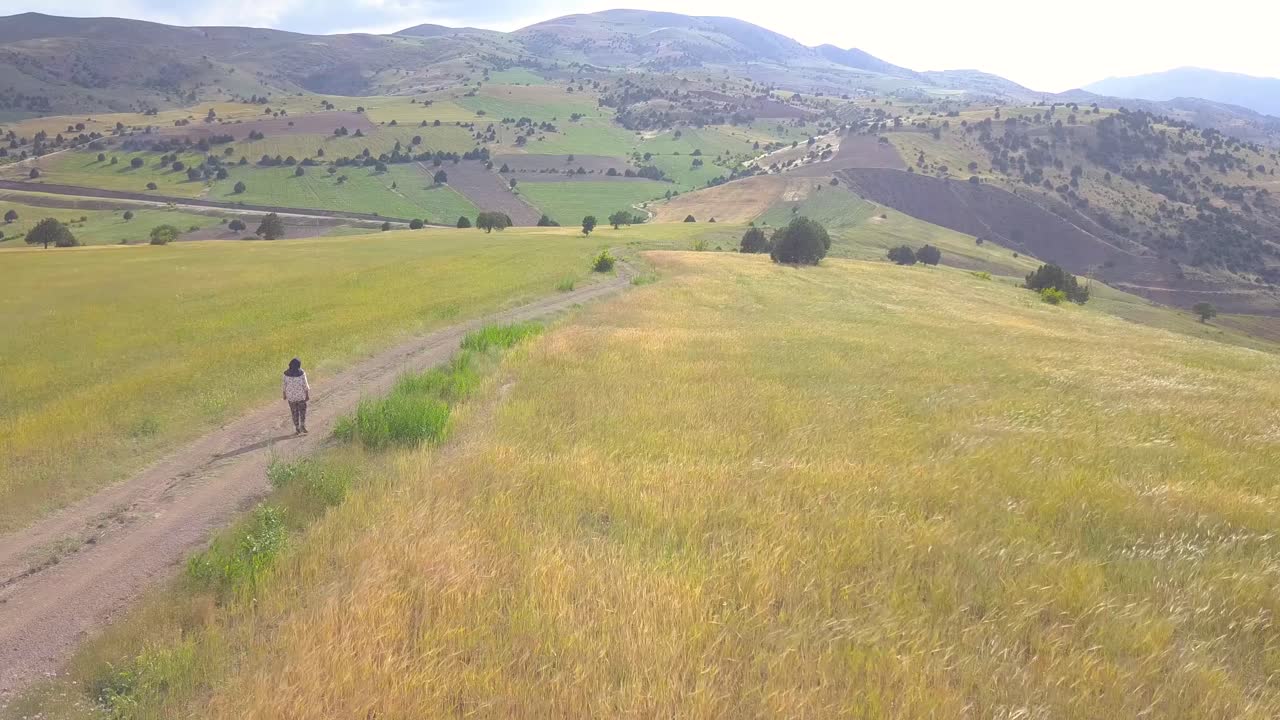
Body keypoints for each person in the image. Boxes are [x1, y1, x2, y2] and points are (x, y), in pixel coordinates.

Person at [282, 358, 310, 434]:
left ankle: (297, 428)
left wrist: (284, 395)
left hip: (291, 397)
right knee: (302, 411)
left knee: (294, 412)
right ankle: (302, 425)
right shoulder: (301, 373)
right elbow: (305, 385)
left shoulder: (285, 373)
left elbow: (284, 385)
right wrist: (307, 395)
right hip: (301, 396)